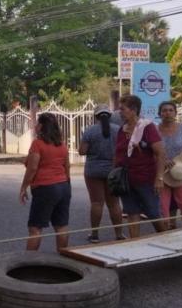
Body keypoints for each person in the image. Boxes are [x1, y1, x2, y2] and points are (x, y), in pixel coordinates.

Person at [114, 95, 166, 238]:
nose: (120, 112)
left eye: (122, 109)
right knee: (131, 212)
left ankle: (166, 238)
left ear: (133, 110)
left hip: (146, 178)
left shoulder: (147, 127)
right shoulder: (121, 130)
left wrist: (159, 178)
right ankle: (134, 244)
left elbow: (160, 153)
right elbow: (117, 154)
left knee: (153, 213)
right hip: (126, 180)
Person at [19, 113, 71, 251]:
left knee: (35, 228)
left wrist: (23, 187)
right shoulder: (62, 145)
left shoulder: (37, 144)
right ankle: (63, 259)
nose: (35, 126)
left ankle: (29, 263)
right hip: (64, 186)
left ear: (41, 126)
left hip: (45, 188)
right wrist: (67, 185)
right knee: (61, 226)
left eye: (37, 124)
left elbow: (32, 168)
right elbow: (67, 167)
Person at [79, 105, 125, 242]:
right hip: (113, 171)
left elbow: (82, 151)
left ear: (96, 116)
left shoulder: (90, 131)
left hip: (93, 171)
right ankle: (119, 234)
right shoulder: (118, 130)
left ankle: (94, 235)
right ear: (110, 116)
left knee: (96, 203)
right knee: (114, 204)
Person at [157, 101, 182, 228]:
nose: (167, 113)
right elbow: (150, 150)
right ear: (159, 113)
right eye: (164, 110)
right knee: (163, 206)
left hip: (181, 171)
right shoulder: (155, 130)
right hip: (162, 172)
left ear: (175, 112)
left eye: (170, 110)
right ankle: (165, 232)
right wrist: (163, 159)